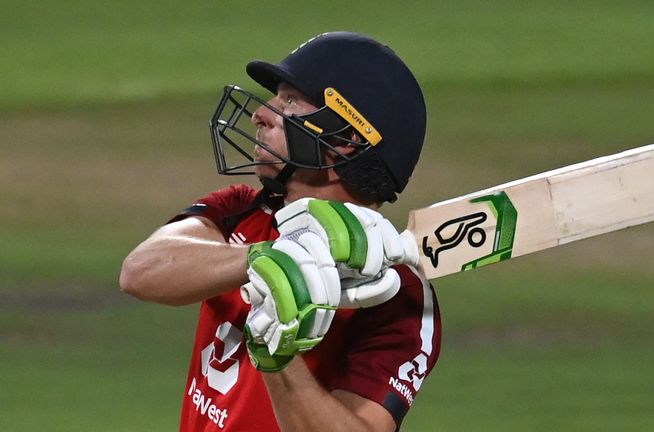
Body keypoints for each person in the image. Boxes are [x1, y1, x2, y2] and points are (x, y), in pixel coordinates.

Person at [120, 31, 441, 432]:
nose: (262, 114)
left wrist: (279, 357)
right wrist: (270, 258)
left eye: (290, 101)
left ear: (347, 139)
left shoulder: (398, 293)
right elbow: (139, 272)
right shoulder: (245, 208)